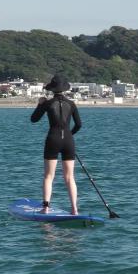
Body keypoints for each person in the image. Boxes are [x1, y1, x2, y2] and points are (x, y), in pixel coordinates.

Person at [30, 74, 82, 215]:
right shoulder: (71, 104)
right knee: (70, 177)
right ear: (64, 89)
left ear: (52, 89)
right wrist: (69, 135)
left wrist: (39, 104)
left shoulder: (47, 103)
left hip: (53, 139)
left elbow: (33, 119)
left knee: (49, 176)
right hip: (68, 141)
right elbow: (79, 125)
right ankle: (74, 209)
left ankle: (45, 208)